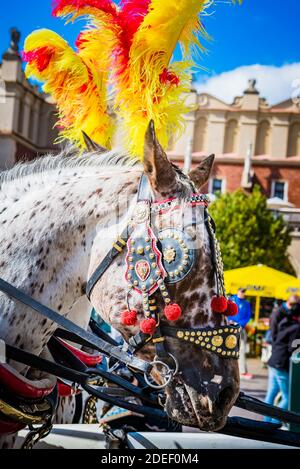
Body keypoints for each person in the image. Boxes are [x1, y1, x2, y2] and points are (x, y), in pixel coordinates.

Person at [264, 301, 300, 422]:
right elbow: (292, 347)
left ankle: (266, 422)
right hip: (281, 364)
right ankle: (275, 422)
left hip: (274, 361)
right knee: (288, 397)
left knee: (271, 394)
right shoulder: (297, 328)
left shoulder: (286, 322)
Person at [228, 288, 253, 379]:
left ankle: (242, 371)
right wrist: (230, 321)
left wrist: (241, 324)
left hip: (240, 328)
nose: (243, 293)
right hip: (230, 328)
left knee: (242, 349)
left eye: (244, 292)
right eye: (241, 291)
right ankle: (229, 370)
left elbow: (248, 316)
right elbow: (227, 312)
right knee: (229, 349)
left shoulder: (246, 303)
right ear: (237, 291)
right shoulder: (231, 300)